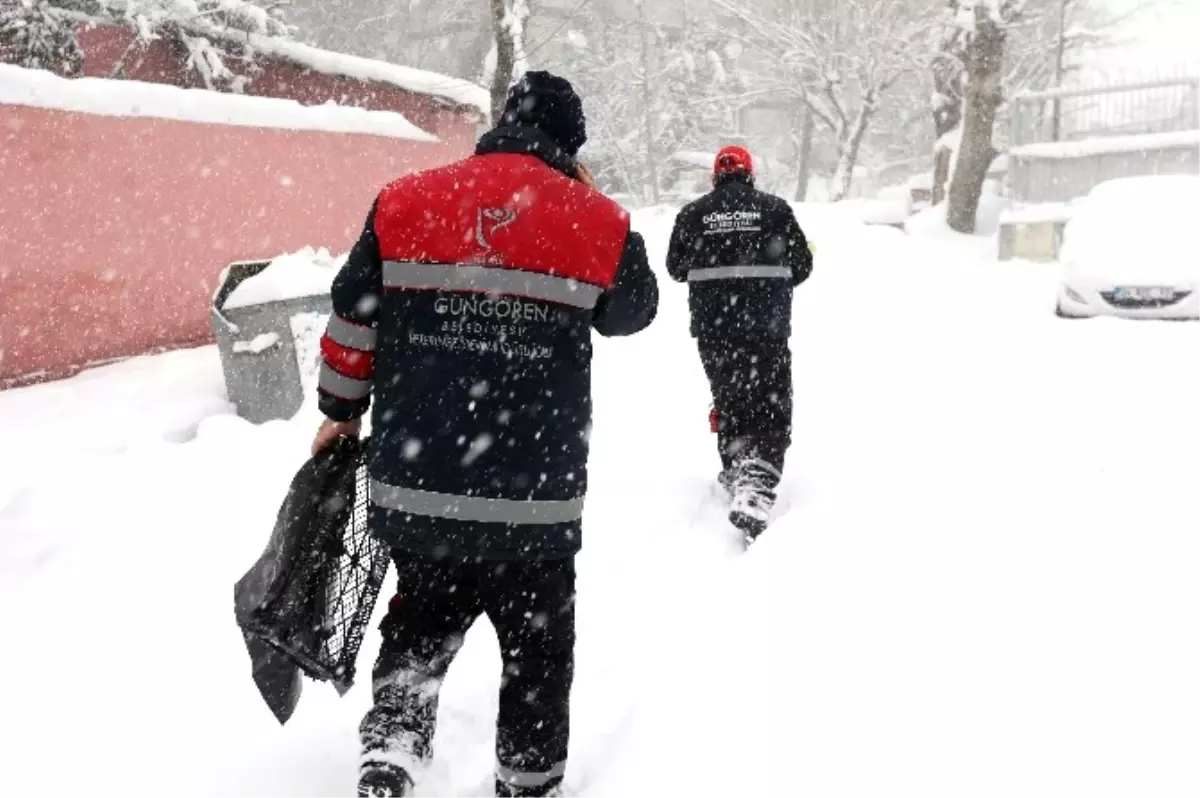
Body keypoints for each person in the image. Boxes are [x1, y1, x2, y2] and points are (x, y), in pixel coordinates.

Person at [310, 71, 658, 798]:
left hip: (418, 480)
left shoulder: (405, 199)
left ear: (502, 123)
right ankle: (528, 781)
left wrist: (340, 408)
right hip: (533, 497)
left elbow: (353, 316)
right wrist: (580, 210)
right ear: (571, 143)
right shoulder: (596, 220)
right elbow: (632, 312)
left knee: (422, 614)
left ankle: (394, 749)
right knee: (538, 648)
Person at [665, 145, 812, 545]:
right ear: (751, 174)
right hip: (766, 328)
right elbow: (802, 267)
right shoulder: (776, 209)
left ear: (715, 177)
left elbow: (676, 268)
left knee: (730, 399)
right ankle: (756, 486)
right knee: (772, 402)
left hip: (715, 330)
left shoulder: (693, 214)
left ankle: (736, 467)